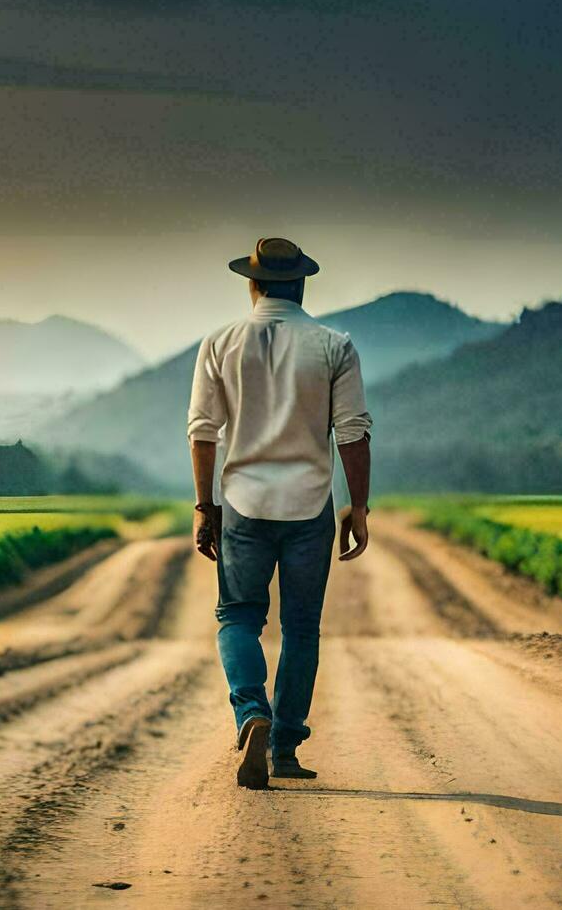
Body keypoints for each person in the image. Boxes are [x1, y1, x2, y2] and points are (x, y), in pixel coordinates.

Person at [187, 237, 373, 790]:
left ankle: (251, 715)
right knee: (301, 627)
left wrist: (204, 506)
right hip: (309, 504)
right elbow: (354, 432)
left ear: (254, 284)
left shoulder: (219, 342)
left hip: (243, 503)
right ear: (302, 285)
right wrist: (357, 506)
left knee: (238, 617)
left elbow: (202, 434)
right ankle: (285, 746)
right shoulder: (334, 345)